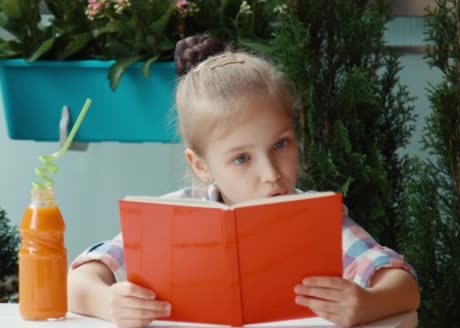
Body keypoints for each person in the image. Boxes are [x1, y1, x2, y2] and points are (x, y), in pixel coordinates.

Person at [67, 35, 420, 328]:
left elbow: (403, 285)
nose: (271, 174)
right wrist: (108, 301)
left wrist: (367, 302)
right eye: (242, 158)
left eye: (281, 144)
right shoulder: (171, 218)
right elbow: (78, 281)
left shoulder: (319, 221)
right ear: (201, 165)